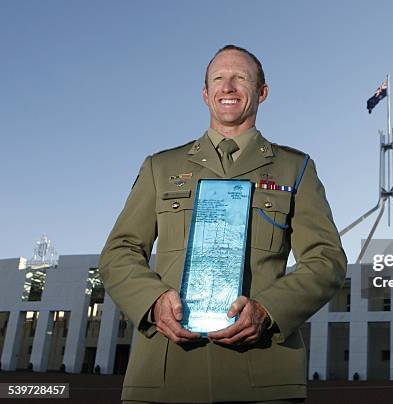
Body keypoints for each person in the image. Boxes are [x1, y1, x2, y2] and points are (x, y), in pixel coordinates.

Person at [99, 44, 347, 403]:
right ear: (205, 94)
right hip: (164, 375)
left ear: (262, 92)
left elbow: (327, 260)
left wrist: (269, 309)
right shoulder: (160, 167)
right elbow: (119, 252)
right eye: (218, 79)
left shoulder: (297, 169)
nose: (227, 87)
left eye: (240, 78)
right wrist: (152, 302)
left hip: (262, 377)